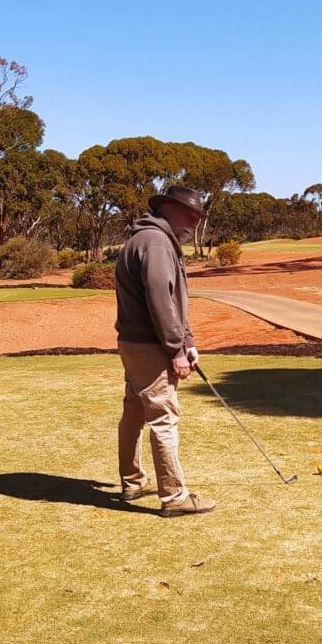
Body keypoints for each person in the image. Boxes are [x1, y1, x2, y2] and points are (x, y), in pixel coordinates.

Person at [114, 185, 216, 516]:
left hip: (134, 343)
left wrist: (188, 342)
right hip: (150, 345)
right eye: (188, 215)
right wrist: (175, 348)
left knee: (135, 410)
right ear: (167, 208)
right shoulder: (157, 243)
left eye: (197, 217)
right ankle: (174, 498)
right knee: (163, 416)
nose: (193, 223)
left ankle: (132, 481)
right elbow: (161, 302)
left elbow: (173, 301)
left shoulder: (148, 238)